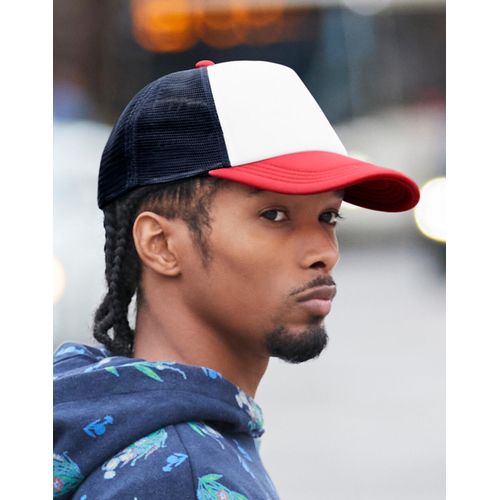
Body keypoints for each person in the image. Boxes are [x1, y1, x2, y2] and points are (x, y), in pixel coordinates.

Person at [53, 59, 420, 499]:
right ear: (161, 244)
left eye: (328, 216)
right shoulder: (183, 475)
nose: (324, 252)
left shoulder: (109, 422)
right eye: (274, 215)